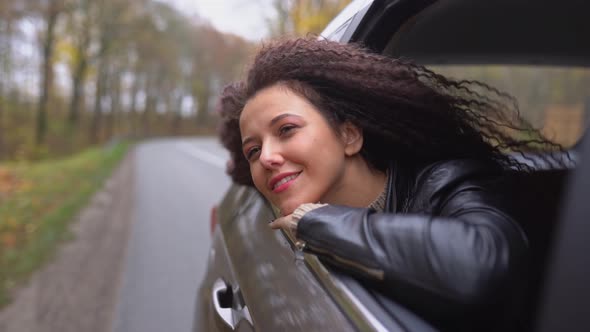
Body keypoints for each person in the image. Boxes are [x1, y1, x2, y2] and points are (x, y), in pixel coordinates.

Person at [216, 37, 563, 331]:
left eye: (286, 130)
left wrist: (316, 223)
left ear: (349, 135)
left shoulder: (447, 181)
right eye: (253, 150)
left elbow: (486, 267)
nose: (266, 158)